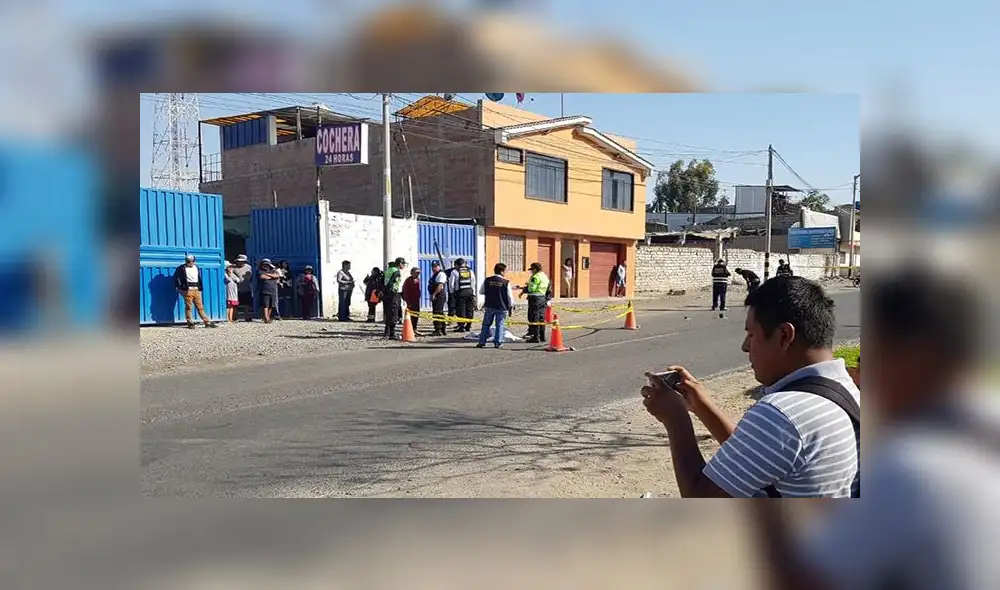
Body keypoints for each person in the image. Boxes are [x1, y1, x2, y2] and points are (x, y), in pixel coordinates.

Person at [752, 266, 999, 590]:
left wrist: (762, 517)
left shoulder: (912, 467)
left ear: (914, 357)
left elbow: (812, 578)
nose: (860, 374)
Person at [641, 276, 860, 498]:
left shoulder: (784, 413)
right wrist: (702, 406)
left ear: (785, 335)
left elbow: (699, 497)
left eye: (752, 334)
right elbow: (763, 455)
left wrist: (675, 418)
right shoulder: (846, 390)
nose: (745, 347)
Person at [172, 254, 218, 329]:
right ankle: (190, 323)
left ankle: (207, 323)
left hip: (197, 290)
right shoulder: (181, 268)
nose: (190, 262)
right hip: (188, 290)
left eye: (191, 261)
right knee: (189, 307)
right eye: (188, 261)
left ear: (194, 261)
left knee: (200, 307)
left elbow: (198, 278)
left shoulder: (196, 267)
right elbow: (175, 278)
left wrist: (199, 288)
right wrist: (179, 287)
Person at [476, 263, 515, 349]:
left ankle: (481, 342)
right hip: (501, 306)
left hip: (489, 305)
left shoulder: (487, 280)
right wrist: (511, 306)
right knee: (500, 325)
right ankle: (498, 343)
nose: (506, 272)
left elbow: (481, 291)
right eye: (505, 271)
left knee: (486, 324)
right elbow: (510, 297)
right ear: (501, 271)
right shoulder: (506, 282)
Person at [519, 262, 550, 343]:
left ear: (535, 269)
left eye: (532, 270)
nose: (531, 271)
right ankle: (542, 336)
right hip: (542, 298)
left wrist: (527, 285)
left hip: (534, 299)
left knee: (534, 317)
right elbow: (548, 288)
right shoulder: (544, 276)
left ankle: (535, 337)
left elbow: (532, 288)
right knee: (541, 317)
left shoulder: (535, 277)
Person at [448, 257, 477, 333]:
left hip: (460, 293)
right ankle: (468, 326)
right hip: (470, 293)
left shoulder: (454, 272)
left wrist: (452, 293)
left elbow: (451, 284)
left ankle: (461, 327)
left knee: (461, 310)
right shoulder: (470, 271)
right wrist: (473, 294)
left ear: (457, 264)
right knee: (469, 310)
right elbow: (473, 283)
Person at [382, 257, 406, 339]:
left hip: (386, 294)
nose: (404, 265)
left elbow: (384, 281)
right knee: (394, 314)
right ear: (400, 263)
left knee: (388, 314)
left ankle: (387, 332)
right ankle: (392, 334)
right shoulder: (396, 271)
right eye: (403, 264)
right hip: (393, 294)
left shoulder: (388, 270)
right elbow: (393, 283)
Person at [256, 259, 282, 323]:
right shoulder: (259, 271)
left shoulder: (273, 270)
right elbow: (262, 277)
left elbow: (277, 275)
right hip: (264, 290)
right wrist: (272, 276)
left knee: (271, 305)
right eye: (264, 264)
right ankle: (266, 317)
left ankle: (268, 316)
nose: (265, 266)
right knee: (265, 305)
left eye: (267, 265)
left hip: (273, 290)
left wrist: (268, 275)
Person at [427, 260, 449, 336]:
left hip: (439, 295)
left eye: (435, 266)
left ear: (439, 266)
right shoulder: (435, 274)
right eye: (433, 267)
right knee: (439, 312)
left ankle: (438, 329)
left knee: (437, 313)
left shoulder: (441, 274)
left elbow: (440, 286)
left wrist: (434, 294)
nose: (434, 268)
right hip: (436, 295)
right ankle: (442, 328)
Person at [231, 254, 254, 322]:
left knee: (247, 304)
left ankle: (247, 317)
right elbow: (231, 276)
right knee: (236, 304)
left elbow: (251, 277)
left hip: (247, 288)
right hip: (236, 289)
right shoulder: (233, 268)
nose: (241, 262)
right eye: (240, 261)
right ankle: (235, 317)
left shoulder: (248, 267)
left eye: (243, 261)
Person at [401, 267, 422, 333]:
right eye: (416, 273)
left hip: (416, 300)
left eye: (418, 273)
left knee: (416, 315)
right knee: (411, 316)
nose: (418, 274)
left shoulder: (418, 280)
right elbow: (406, 292)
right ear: (412, 273)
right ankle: (411, 329)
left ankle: (414, 328)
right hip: (411, 301)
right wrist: (408, 302)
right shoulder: (408, 280)